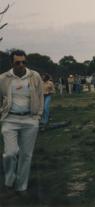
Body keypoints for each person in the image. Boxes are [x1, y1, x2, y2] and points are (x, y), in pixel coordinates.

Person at [0, 50, 44, 195]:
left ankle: (21, 186)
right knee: (10, 153)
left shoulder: (34, 76)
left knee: (26, 155)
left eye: (23, 62)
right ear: (11, 63)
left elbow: (40, 96)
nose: (21, 65)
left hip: (29, 120)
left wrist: (38, 116)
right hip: (10, 119)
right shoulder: (4, 78)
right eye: (17, 62)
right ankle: (9, 178)